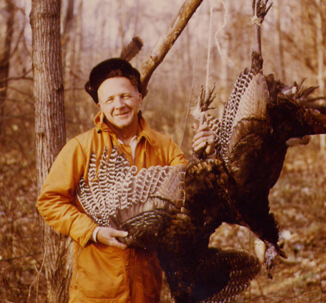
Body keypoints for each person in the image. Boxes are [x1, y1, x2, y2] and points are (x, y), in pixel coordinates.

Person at [37, 58, 215, 303]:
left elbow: (189, 195)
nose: (119, 105)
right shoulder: (81, 147)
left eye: (125, 96)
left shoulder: (163, 146)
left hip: (146, 288)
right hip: (96, 290)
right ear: (100, 106)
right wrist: (94, 231)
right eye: (109, 99)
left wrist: (202, 155)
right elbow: (49, 202)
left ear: (139, 98)